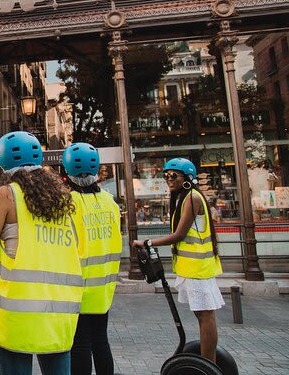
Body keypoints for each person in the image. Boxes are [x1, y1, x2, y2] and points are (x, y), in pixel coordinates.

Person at [0, 131, 82, 375]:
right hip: (58, 311)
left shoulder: (7, 194)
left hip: (18, 313)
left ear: (2, 163)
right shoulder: (63, 198)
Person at [132, 157, 224, 363]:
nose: (168, 178)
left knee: (206, 316)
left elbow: (179, 235)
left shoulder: (193, 198)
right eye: (165, 175)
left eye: (173, 175)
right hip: (192, 268)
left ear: (187, 177)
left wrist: (147, 242)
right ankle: (208, 362)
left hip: (198, 268)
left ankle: (209, 365)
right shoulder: (185, 197)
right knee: (202, 316)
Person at [62, 142, 122, 375]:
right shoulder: (110, 201)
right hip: (104, 288)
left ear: (67, 171)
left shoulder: (68, 204)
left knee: (80, 345)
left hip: (79, 288)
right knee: (101, 341)